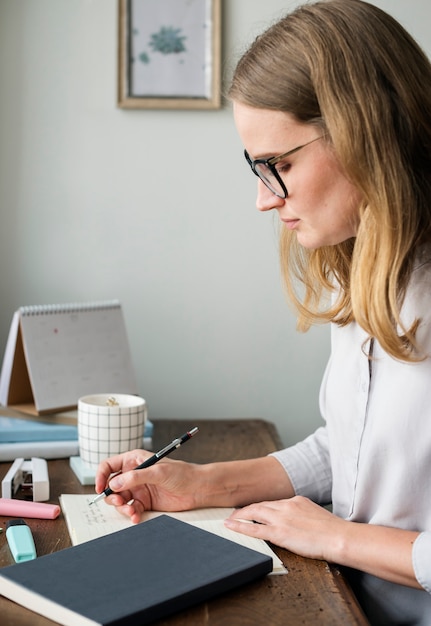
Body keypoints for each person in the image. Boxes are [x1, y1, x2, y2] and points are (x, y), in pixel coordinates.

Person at [95, 1, 431, 623]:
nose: (261, 198)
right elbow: (358, 452)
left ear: (367, 131)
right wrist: (206, 485)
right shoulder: (369, 272)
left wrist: (335, 537)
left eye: (279, 165)